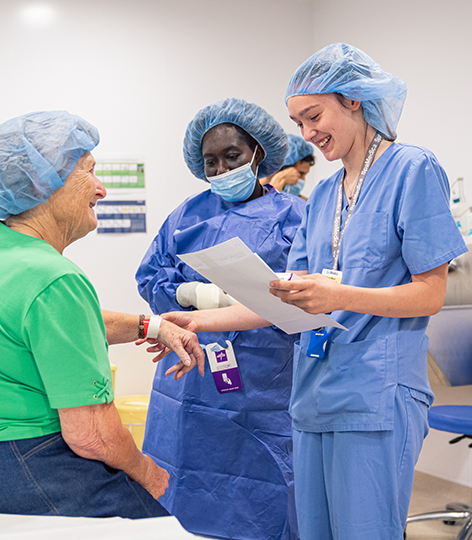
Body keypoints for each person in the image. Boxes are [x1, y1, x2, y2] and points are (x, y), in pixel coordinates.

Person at [156, 44, 468, 540]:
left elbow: (429, 295)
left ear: (355, 101)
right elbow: (284, 297)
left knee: (365, 530)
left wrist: (338, 297)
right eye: (297, 122)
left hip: (375, 394)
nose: (307, 134)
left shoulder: (412, 169)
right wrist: (195, 321)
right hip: (313, 393)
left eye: (314, 115)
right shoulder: (323, 193)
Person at [0, 111, 204, 517]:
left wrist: (153, 325)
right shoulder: (55, 278)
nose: (102, 189)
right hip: (19, 464)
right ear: (45, 183)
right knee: (153, 516)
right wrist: (149, 475)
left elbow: (54, 324)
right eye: (90, 172)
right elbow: (92, 436)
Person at [135, 98, 304, 540]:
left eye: (233, 156)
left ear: (258, 153)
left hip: (266, 381)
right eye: (211, 161)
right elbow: (151, 275)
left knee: (266, 490)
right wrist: (196, 293)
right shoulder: (186, 216)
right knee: (185, 480)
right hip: (191, 374)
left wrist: (253, 297)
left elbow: (307, 288)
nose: (222, 169)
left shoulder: (295, 216)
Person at [260, 134, 315, 199]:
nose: (303, 180)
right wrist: (280, 179)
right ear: (279, 168)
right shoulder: (249, 195)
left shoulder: (297, 200)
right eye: (300, 174)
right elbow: (266, 206)